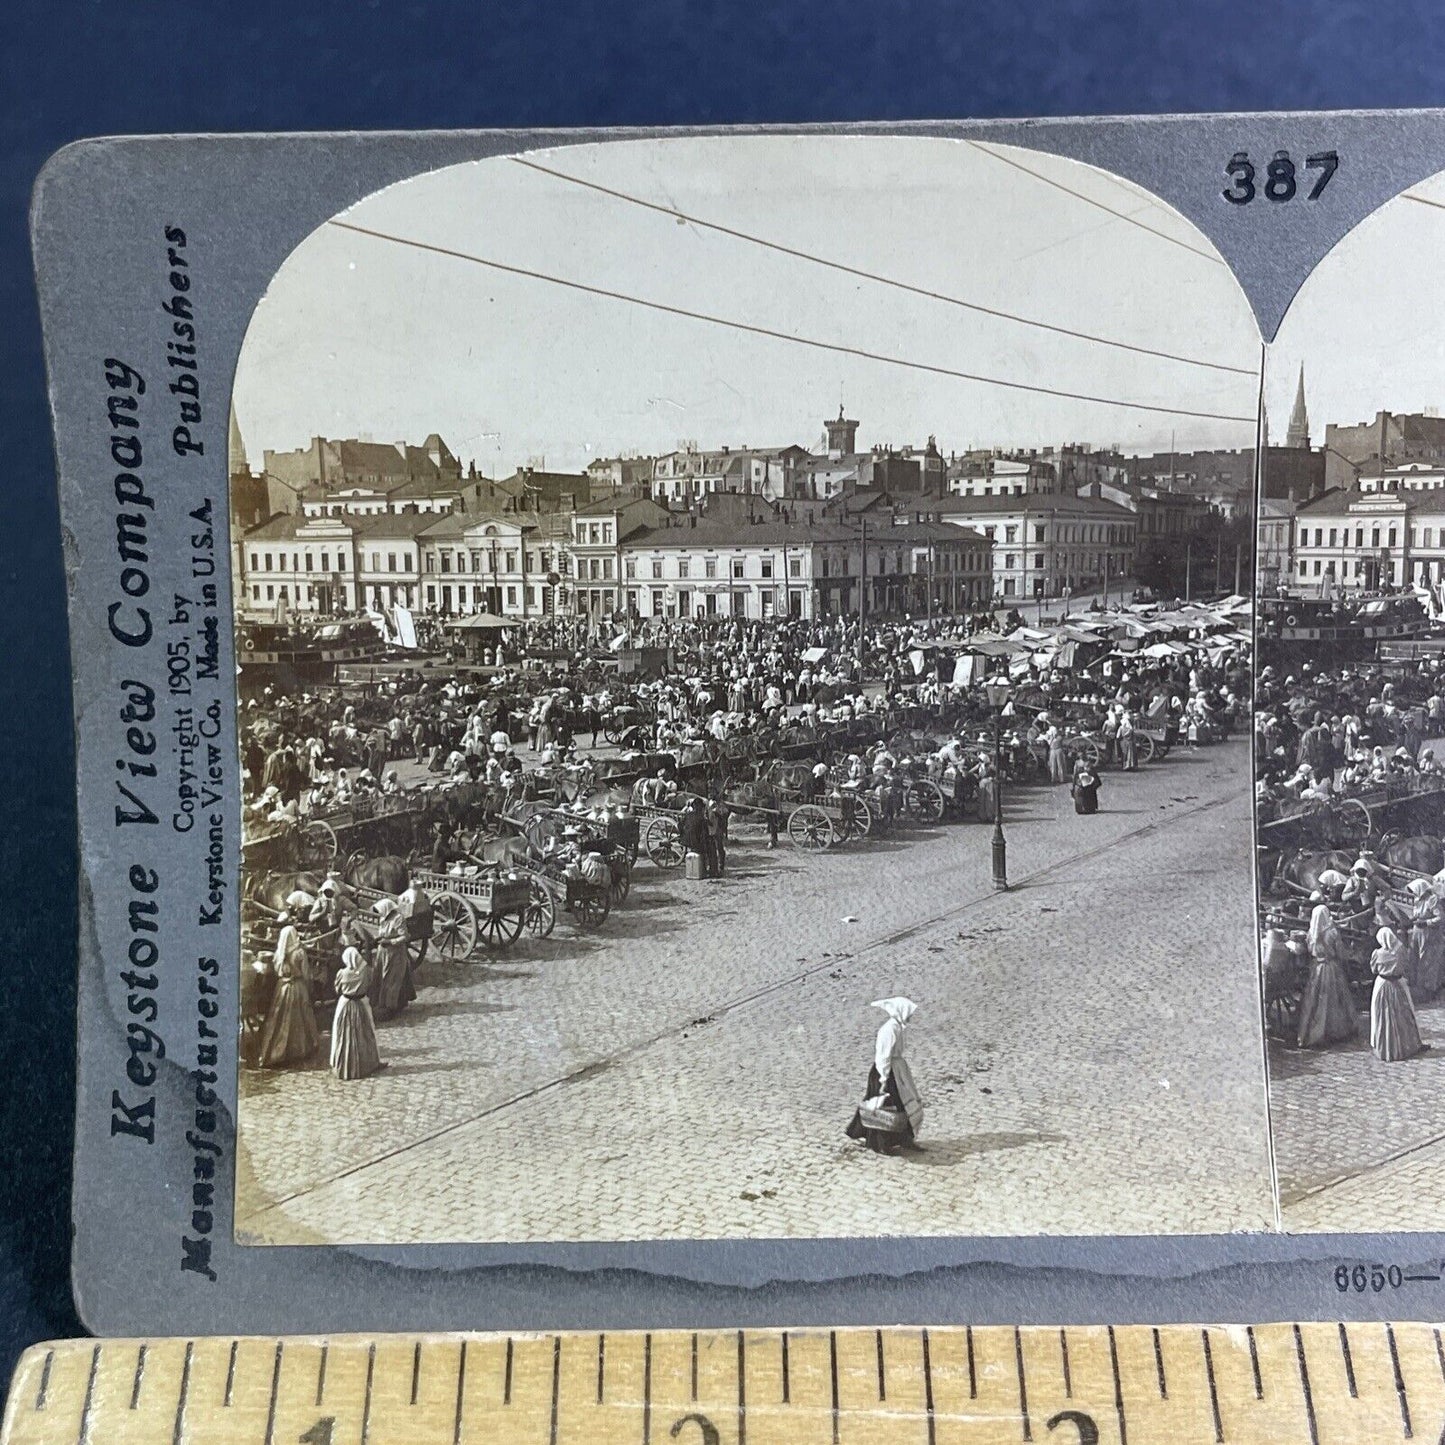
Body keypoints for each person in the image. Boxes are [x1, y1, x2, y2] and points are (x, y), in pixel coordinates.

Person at [845, 997, 924, 1154]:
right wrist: (883, 1078)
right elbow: (883, 1056)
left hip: (897, 1070)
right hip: (886, 1072)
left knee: (904, 1104)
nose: (911, 1017)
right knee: (886, 1107)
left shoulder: (899, 1027)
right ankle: (880, 1143)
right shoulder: (889, 1030)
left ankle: (905, 1138)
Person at [257, 916, 320, 1068]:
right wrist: (310, 988)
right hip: (297, 987)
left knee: (280, 1020)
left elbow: (277, 970)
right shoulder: (299, 952)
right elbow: (306, 973)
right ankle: (299, 1050)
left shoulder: (279, 953)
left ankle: (278, 1051)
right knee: (300, 1020)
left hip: (282, 987)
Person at [1297, 896, 1357, 1049]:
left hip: (1317, 967)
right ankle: (1336, 1030)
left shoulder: (1312, 933)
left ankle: (1315, 1032)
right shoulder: (1332, 933)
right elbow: (1340, 952)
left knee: (1317, 1001)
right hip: (1331, 967)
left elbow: (1311, 951)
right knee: (1334, 1000)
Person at [1370, 927, 1426, 1062]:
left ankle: (1384, 1046)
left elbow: (1373, 969)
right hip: (1397, 984)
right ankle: (1406, 1045)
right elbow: (1405, 965)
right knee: (1402, 1014)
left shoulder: (1377, 954)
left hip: (1382, 984)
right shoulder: (1400, 951)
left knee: (1382, 1015)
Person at [330, 947, 384, 1080]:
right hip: (360, 1004)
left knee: (343, 1035)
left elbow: (337, 989)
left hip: (345, 1004)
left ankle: (343, 1064)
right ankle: (367, 1063)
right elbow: (372, 984)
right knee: (365, 1033)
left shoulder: (342, 973)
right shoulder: (366, 971)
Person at [370, 899, 416, 1022]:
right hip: (383, 952)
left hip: (395, 953)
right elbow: (383, 932)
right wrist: (379, 939)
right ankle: (384, 1002)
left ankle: (390, 1006)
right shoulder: (383, 918)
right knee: (381, 977)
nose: (379, 914)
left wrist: (390, 941)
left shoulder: (398, 919)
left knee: (392, 979)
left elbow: (405, 936)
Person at [1408, 878, 1445, 1001]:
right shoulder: (1418, 899)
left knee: (1428, 960)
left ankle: (1429, 990)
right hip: (1418, 931)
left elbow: (1440, 917)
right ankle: (1418, 987)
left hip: (1430, 933)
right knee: (1416, 958)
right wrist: (1413, 919)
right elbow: (1417, 914)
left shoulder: (1432, 900)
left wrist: (1426, 922)